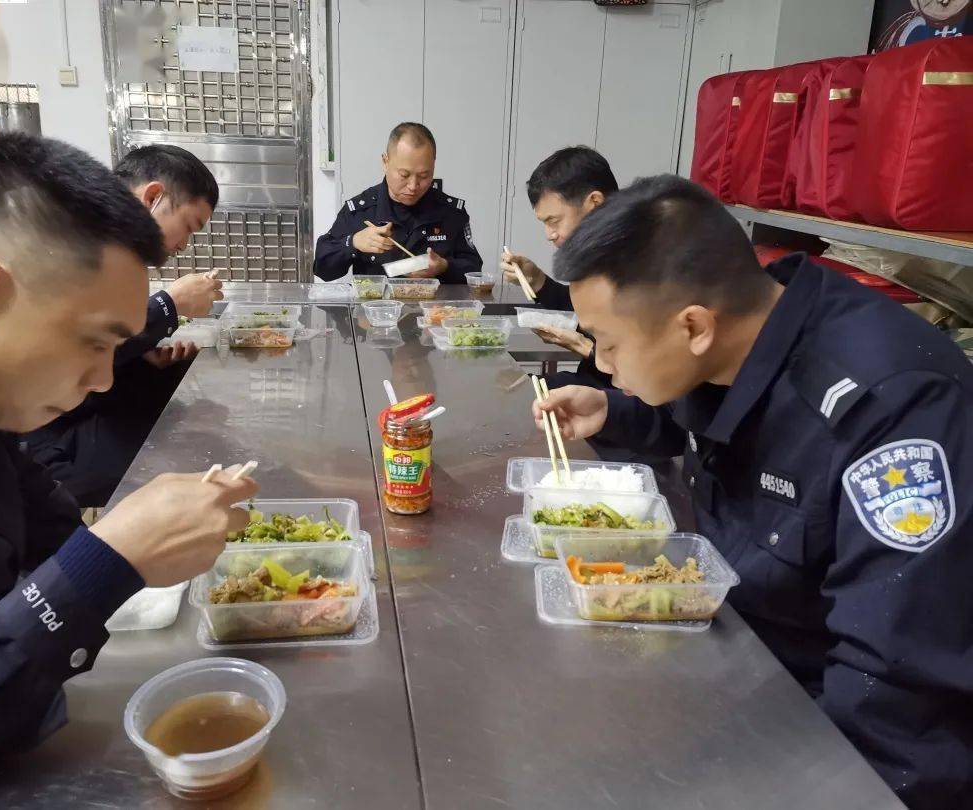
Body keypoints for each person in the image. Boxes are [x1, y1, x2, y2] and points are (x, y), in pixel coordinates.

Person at [534, 174, 973, 810]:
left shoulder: (892, 413)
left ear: (693, 325)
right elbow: (709, 412)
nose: (600, 361)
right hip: (747, 667)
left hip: (838, 743)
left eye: (608, 344)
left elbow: (896, 695)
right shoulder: (750, 325)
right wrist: (618, 412)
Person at [0, 134, 258, 807]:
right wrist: (102, 564)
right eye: (94, 344)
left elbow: (54, 529)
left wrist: (150, 538)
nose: (98, 381)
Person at [24, 144, 224, 506]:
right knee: (192, 449)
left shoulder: (110, 248)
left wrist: (147, 362)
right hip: (43, 437)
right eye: (188, 227)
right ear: (152, 197)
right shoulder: (65, 244)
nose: (184, 245)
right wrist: (170, 305)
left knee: (188, 410)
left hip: (75, 413)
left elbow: (100, 350)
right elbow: (63, 353)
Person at [501, 146, 619, 380]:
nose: (549, 234)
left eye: (553, 221)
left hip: (622, 398)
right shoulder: (596, 254)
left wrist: (584, 347)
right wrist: (537, 281)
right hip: (595, 380)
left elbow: (650, 378)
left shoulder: (642, 263)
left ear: (594, 202)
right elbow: (584, 312)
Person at [314, 122, 482, 283]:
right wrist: (353, 242)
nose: (413, 186)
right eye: (404, 175)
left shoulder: (450, 212)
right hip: (376, 310)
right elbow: (323, 270)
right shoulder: (360, 211)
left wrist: (444, 267)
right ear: (385, 162)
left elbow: (474, 269)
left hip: (435, 311)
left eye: (424, 176)